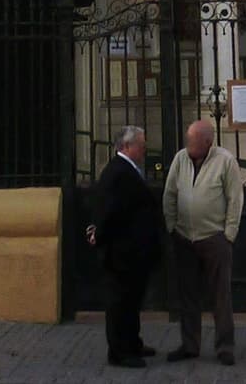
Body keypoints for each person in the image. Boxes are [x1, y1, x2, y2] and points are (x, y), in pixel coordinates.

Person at [163, 119, 243, 366]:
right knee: (188, 295)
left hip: (214, 238)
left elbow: (235, 198)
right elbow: (170, 194)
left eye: (193, 141)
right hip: (185, 237)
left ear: (208, 143)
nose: (188, 144)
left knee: (221, 295)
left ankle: (225, 347)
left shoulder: (225, 161)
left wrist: (228, 234)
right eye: (188, 139)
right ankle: (190, 345)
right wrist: (171, 226)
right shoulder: (180, 159)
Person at [87, 126, 163, 368]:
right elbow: (109, 211)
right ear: (127, 147)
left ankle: (133, 343)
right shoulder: (118, 172)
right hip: (122, 253)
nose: (144, 148)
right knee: (120, 303)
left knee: (132, 300)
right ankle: (119, 352)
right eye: (141, 144)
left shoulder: (127, 170)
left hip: (133, 252)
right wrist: (99, 234)